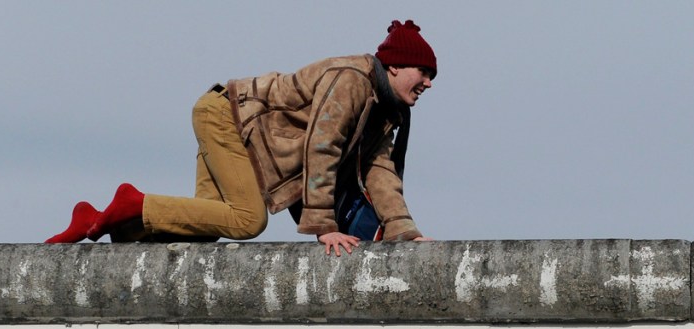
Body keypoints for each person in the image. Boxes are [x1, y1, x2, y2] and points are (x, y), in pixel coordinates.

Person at [46, 20, 436, 256]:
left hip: (238, 127)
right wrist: (324, 225)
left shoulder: (386, 110)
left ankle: (101, 222)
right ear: (396, 65)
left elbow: (380, 172)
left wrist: (405, 233)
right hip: (228, 119)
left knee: (205, 230)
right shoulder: (352, 80)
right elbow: (323, 145)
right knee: (248, 221)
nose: (429, 83)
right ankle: (133, 203)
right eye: (424, 72)